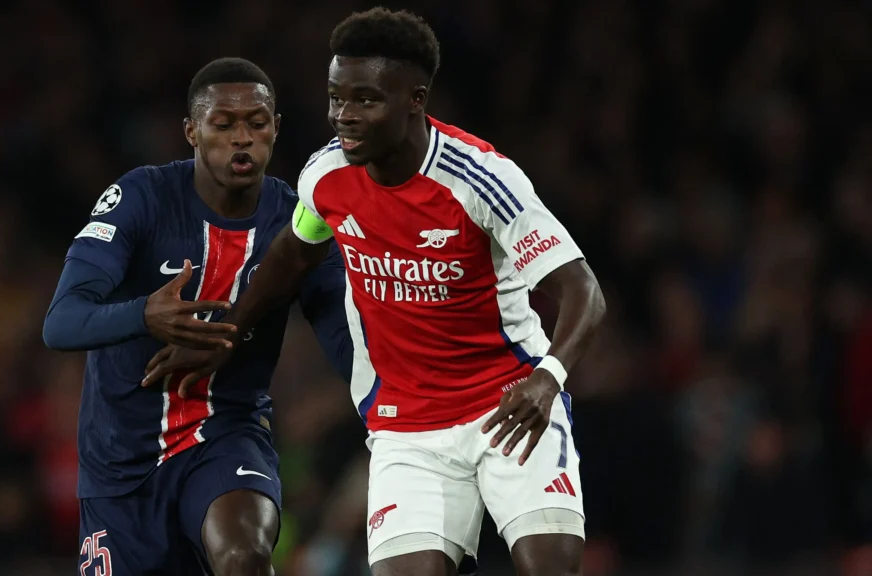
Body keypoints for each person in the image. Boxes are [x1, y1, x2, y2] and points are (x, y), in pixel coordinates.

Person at [145, 9, 608, 576]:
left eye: (365, 100)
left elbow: (582, 291)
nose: (344, 115)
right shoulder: (326, 177)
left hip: (510, 405)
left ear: (415, 99)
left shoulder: (481, 179)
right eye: (337, 98)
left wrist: (547, 379)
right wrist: (229, 332)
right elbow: (294, 253)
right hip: (405, 427)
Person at [42, 57, 351, 576]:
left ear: (276, 128)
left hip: (227, 433)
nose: (242, 138)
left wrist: (396, 405)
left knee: (244, 554)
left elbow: (346, 338)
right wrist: (145, 315)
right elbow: (61, 322)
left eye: (257, 122)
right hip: (121, 462)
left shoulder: (298, 223)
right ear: (191, 131)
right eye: (223, 124)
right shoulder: (140, 198)